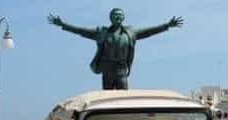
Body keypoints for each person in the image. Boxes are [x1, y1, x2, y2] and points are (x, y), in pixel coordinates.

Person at [47, 8, 184, 90]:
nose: (118, 17)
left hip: (121, 70)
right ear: (110, 18)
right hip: (107, 70)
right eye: (115, 15)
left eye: (120, 15)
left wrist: (166, 25)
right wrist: (64, 25)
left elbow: (149, 32)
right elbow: (81, 31)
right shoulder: (102, 32)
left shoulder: (130, 33)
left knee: (123, 100)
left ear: (123, 17)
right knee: (107, 99)